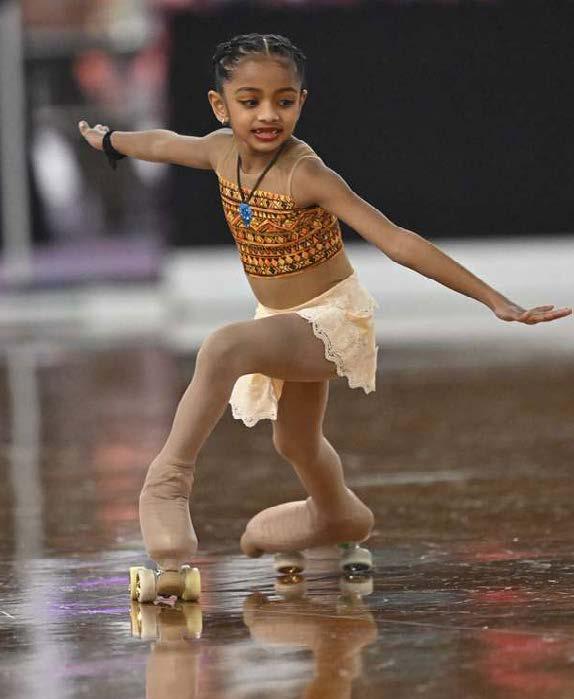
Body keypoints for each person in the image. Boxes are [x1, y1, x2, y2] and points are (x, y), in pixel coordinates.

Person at [78, 34, 571, 576]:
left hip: (331, 322)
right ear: (221, 106)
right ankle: (335, 513)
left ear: (302, 102)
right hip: (282, 322)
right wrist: (112, 141)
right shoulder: (220, 151)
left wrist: (495, 300)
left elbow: (397, 241)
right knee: (295, 441)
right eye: (250, 101)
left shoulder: (306, 174)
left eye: (284, 100)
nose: (268, 115)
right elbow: (166, 143)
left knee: (224, 347)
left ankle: (168, 480)